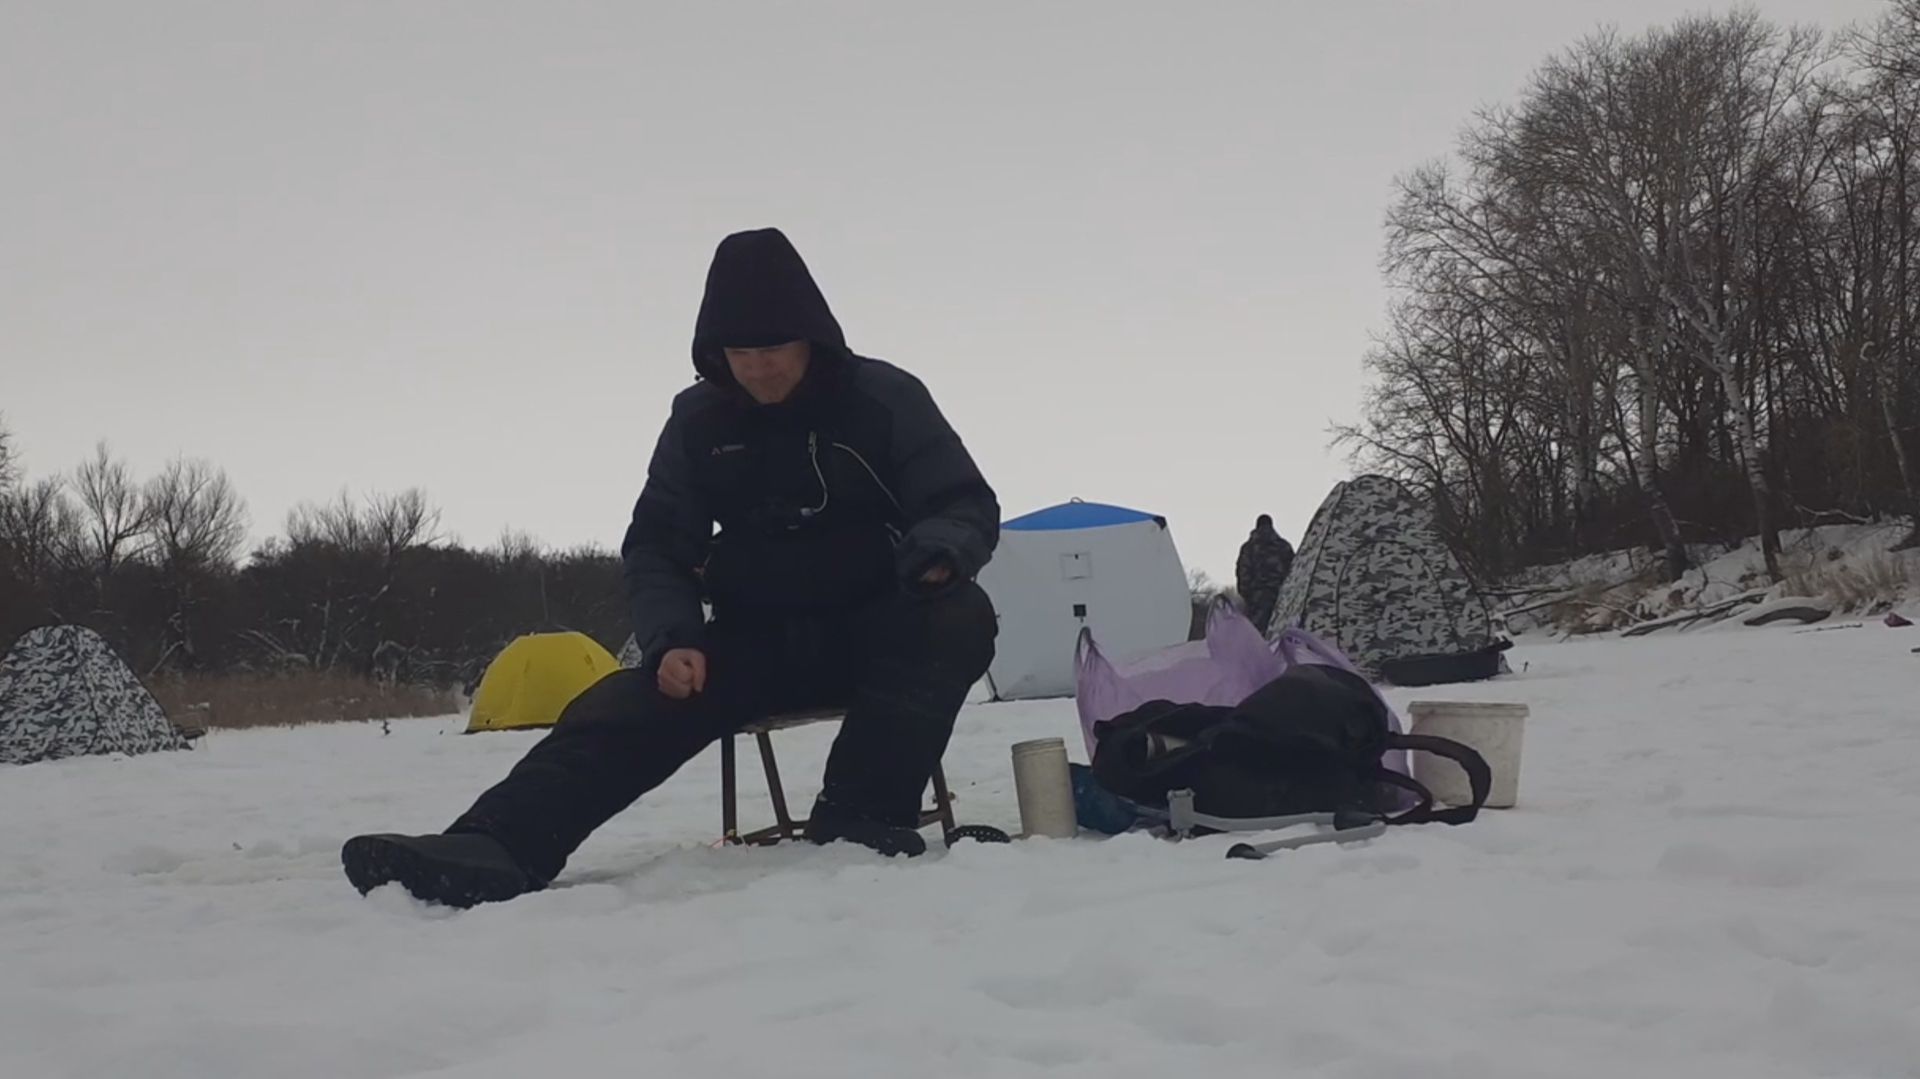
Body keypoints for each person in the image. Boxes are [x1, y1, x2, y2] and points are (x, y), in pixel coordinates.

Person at [341, 228, 1001, 907]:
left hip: (880, 630)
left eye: (773, 348)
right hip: (756, 639)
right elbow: (657, 543)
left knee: (960, 616)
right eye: (741, 353)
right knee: (624, 700)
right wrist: (674, 637)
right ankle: (496, 843)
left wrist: (940, 552)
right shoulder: (698, 421)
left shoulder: (885, 398)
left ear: (813, 338)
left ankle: (863, 813)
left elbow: (962, 502)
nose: (760, 368)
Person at [1235, 514, 1294, 633]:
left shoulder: (1248, 548)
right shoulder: (1283, 547)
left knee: (1256, 636)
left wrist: (1248, 596)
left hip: (1256, 599)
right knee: (1280, 636)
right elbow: (1294, 572)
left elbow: (1243, 574)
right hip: (1281, 599)